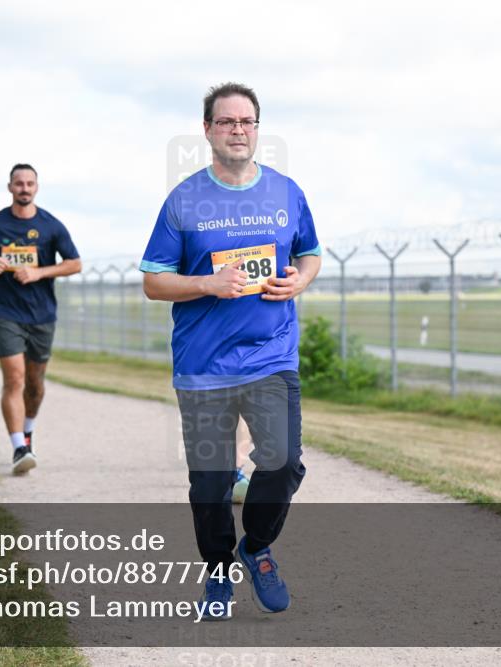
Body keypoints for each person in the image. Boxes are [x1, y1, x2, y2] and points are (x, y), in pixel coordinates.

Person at [141, 83, 321, 619]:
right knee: (212, 484)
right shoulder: (184, 200)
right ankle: (218, 572)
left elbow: (310, 254)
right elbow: (154, 281)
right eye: (227, 122)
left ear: (257, 129)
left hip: (271, 355)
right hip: (204, 366)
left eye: (247, 121)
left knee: (283, 461)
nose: (238, 130)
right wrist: (207, 284)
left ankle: (256, 546)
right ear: (207, 130)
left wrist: (299, 281)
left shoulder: (287, 192)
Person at [0, 163, 82, 474]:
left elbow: (74, 263)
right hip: (5, 312)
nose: (24, 188)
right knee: (14, 379)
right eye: (19, 183)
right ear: (10, 187)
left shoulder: (51, 226)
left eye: (30, 183)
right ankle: (18, 447)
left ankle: (27, 431)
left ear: (36, 188)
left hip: (42, 315)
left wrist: (40, 272)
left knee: (35, 384)